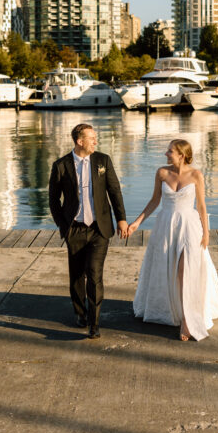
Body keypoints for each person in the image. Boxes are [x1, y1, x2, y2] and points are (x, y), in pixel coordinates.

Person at [124, 139, 218, 341]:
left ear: (182, 154)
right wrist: (136, 223)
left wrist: (206, 233)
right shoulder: (162, 173)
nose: (166, 154)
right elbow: (154, 201)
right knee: (168, 268)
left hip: (189, 226)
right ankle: (173, 309)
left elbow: (202, 206)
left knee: (185, 269)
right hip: (165, 225)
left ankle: (188, 320)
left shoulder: (196, 175)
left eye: (170, 151)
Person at [49, 123, 127, 339]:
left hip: (99, 229)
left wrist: (121, 219)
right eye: (92, 138)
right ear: (79, 141)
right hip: (74, 229)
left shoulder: (103, 160)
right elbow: (53, 200)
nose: (96, 141)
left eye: (96, 137)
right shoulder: (61, 165)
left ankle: (94, 323)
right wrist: (63, 226)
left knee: (94, 274)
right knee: (76, 276)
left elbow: (115, 191)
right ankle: (80, 312)